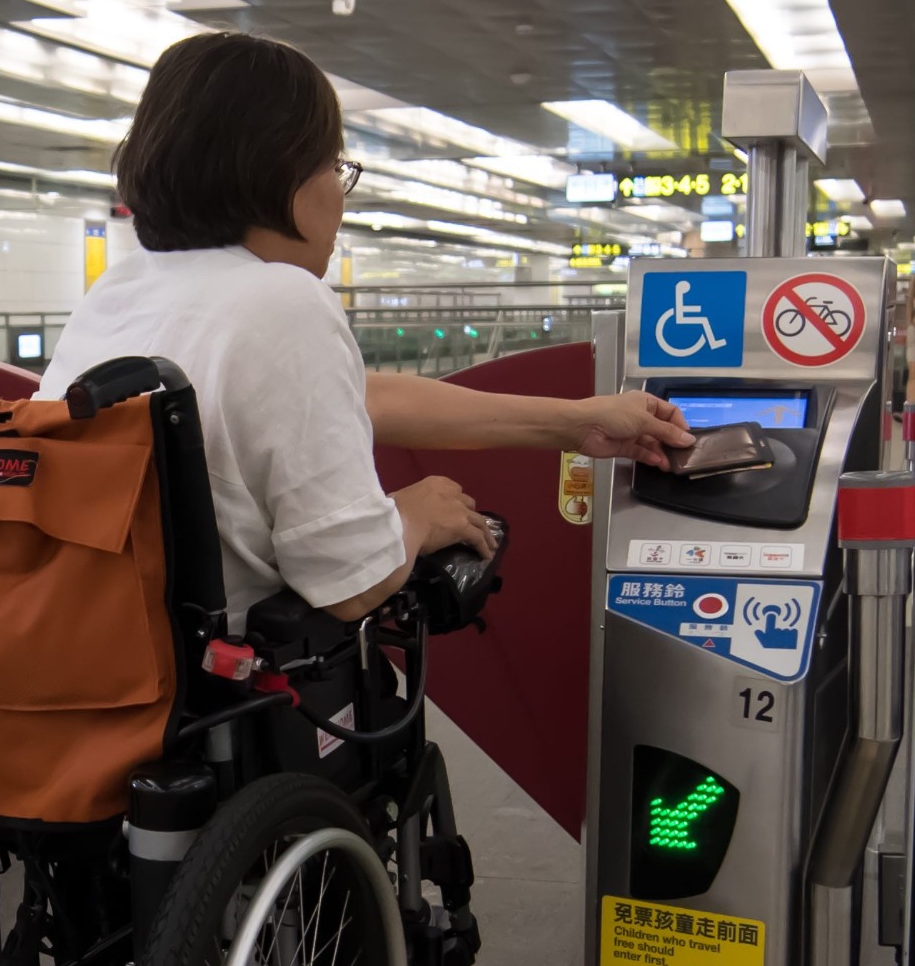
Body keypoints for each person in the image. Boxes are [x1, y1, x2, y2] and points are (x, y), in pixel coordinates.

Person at [40, 32, 692, 631]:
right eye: (335, 167)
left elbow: (358, 395)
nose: (339, 197)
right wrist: (419, 514)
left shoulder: (124, 290)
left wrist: (578, 422)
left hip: (103, 683)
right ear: (281, 174)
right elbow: (353, 584)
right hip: (218, 715)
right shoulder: (281, 299)